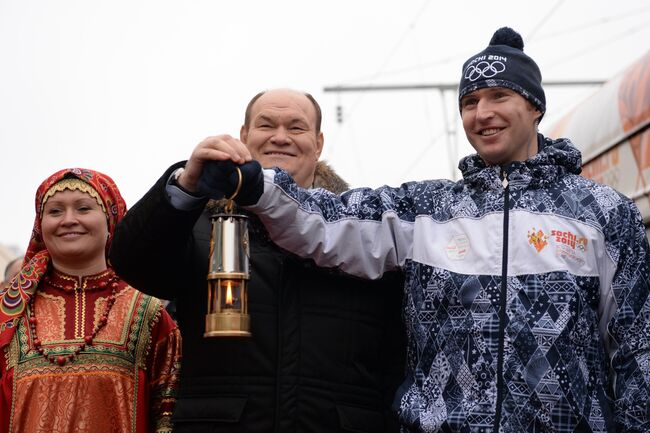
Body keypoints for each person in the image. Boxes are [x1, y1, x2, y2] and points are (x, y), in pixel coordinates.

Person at [186, 29, 650, 433]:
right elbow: (325, 220)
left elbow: (637, 346)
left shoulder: (603, 214)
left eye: (498, 96)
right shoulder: (428, 209)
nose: (482, 113)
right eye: (470, 102)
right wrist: (252, 184)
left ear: (534, 107)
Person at [109, 89, 406, 432]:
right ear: (244, 136)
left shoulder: (360, 233)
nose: (280, 137)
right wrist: (187, 184)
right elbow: (131, 262)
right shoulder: (200, 224)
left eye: (296, 128)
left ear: (319, 142)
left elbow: (396, 362)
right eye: (267, 125)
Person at [0, 168, 181, 433]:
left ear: (111, 220)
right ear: (40, 226)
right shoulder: (9, 313)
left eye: (83, 209)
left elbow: (167, 417)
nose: (69, 220)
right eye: (55, 211)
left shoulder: (147, 313)